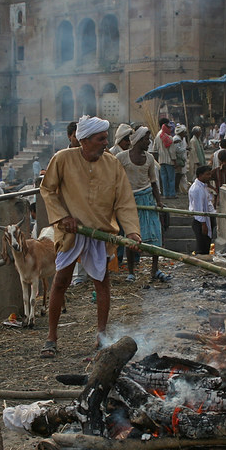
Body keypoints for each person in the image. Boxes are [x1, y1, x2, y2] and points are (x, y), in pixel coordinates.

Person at [39, 115, 141, 357]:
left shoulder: (112, 164)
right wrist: (62, 217)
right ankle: (51, 338)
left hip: (98, 232)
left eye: (106, 138)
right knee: (61, 281)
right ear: (84, 141)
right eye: (101, 139)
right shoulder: (63, 159)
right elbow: (48, 189)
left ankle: (102, 336)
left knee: (101, 282)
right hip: (71, 232)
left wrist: (133, 231)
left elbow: (124, 200)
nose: (105, 143)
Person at [117, 126, 165, 282]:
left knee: (155, 234)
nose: (149, 142)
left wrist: (158, 201)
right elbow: (114, 180)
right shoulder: (122, 158)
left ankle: (155, 269)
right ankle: (131, 272)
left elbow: (153, 182)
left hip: (148, 200)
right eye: (146, 139)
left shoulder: (150, 159)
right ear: (138, 140)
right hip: (130, 202)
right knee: (131, 237)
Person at [188, 165, 216, 254]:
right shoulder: (196, 189)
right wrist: (204, 225)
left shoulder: (203, 187)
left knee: (206, 244)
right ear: (200, 175)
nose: (209, 176)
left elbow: (208, 203)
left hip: (206, 218)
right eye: (207, 174)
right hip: (200, 221)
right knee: (202, 246)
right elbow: (198, 209)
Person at [152, 121, 177, 198]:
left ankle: (165, 194)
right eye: (169, 128)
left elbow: (154, 148)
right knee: (171, 179)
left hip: (161, 160)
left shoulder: (157, 136)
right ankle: (172, 194)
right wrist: (174, 160)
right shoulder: (169, 138)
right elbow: (172, 151)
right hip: (169, 161)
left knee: (164, 178)